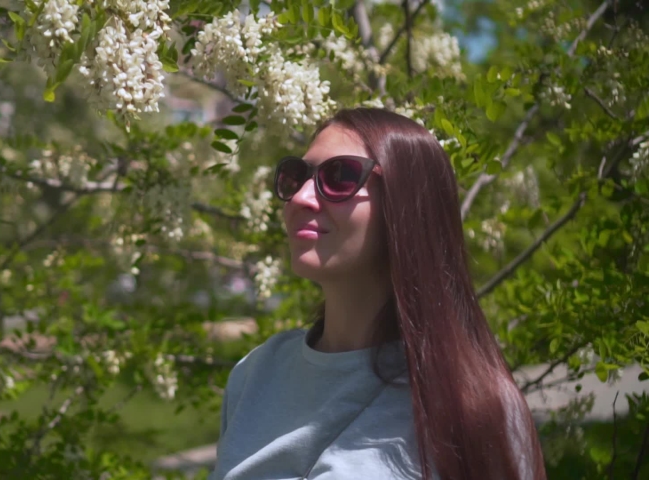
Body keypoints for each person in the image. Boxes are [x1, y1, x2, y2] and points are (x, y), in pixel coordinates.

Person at [210, 108, 547, 480]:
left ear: (407, 205)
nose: (301, 197)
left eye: (339, 177)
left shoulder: (474, 404)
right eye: (296, 176)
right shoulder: (255, 375)